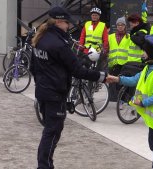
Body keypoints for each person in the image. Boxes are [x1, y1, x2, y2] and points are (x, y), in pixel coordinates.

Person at [30, 6, 108, 169]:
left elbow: (33, 68)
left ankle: (45, 165)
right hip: (55, 95)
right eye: (66, 23)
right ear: (59, 22)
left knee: (49, 131)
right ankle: (44, 166)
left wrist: (43, 83)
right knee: (52, 133)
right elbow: (78, 70)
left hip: (43, 92)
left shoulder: (40, 39)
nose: (68, 27)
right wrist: (103, 77)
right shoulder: (59, 44)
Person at [106, 34, 153, 169]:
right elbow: (134, 80)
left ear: (152, 54)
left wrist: (142, 103)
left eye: (145, 51)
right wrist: (117, 79)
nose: (142, 53)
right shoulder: (149, 68)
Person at [108, 16, 130, 101]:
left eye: (122, 25)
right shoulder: (111, 36)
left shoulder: (129, 37)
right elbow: (107, 47)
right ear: (116, 26)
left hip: (125, 63)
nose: (120, 26)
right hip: (114, 62)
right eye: (118, 25)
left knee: (123, 82)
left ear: (125, 26)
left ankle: (122, 100)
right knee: (116, 83)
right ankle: (118, 99)